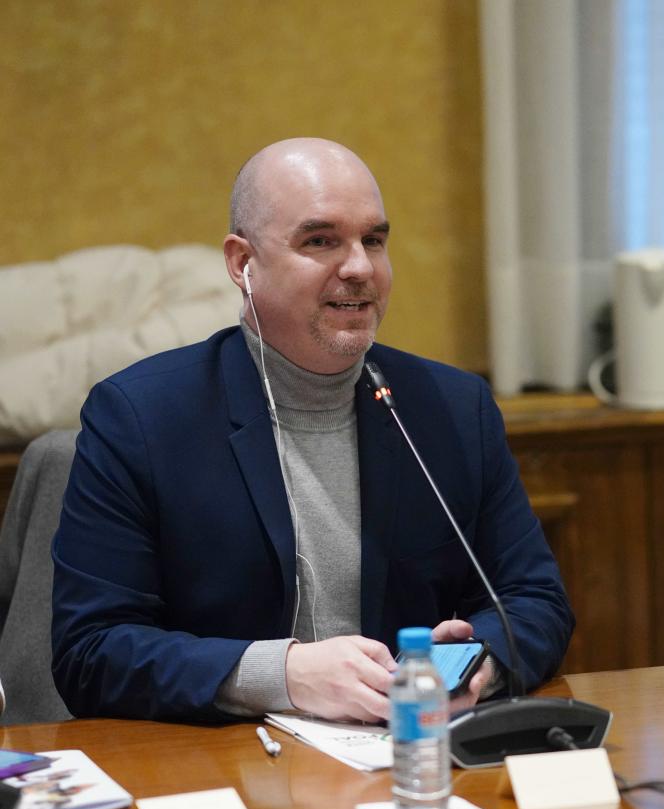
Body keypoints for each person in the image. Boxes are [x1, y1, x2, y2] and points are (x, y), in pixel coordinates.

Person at [51, 138, 573, 722]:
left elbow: (536, 602)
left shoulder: (453, 407)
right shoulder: (141, 416)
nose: (359, 268)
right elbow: (90, 653)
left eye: (373, 240)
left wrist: (479, 664)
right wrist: (283, 674)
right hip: (229, 768)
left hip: (410, 753)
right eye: (320, 241)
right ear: (241, 263)